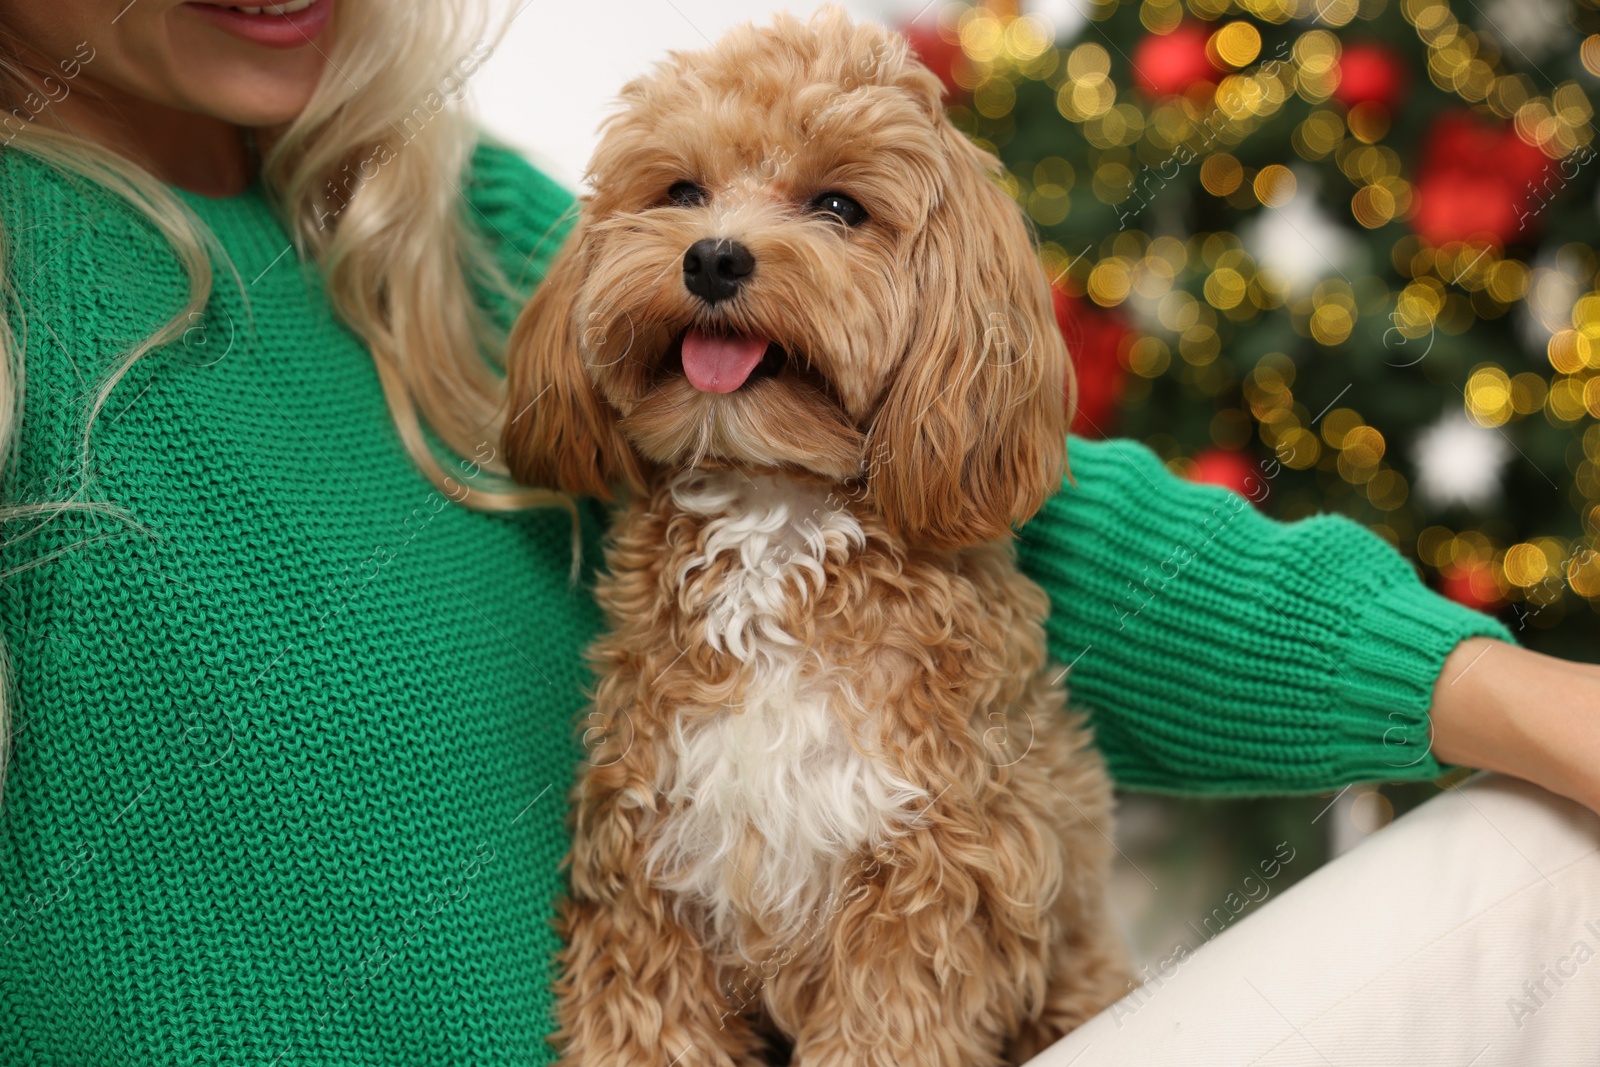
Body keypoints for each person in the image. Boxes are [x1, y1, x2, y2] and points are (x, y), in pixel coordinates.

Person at [0, 1, 1593, 1063]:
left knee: (1554, 847)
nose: (722, 250)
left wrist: (1506, 694)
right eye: (687, 199)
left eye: (829, 209)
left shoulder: (422, 217)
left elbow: (1022, 517)